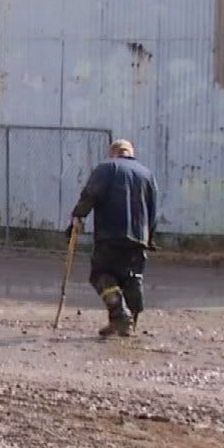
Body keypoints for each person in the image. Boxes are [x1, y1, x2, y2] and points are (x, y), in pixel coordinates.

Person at [69, 139, 159, 338]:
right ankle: (127, 324)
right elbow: (153, 209)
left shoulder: (107, 167)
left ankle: (119, 315)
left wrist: (78, 215)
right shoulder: (147, 174)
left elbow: (90, 194)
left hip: (111, 234)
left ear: (114, 153)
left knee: (101, 275)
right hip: (139, 237)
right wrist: (149, 237)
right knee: (131, 279)